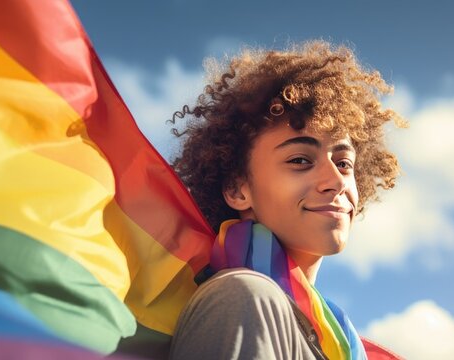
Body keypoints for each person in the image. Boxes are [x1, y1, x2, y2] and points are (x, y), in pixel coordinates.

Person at [168, 40, 406, 359]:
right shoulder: (242, 297)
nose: (335, 181)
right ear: (238, 189)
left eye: (344, 163)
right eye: (300, 161)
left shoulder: (341, 342)